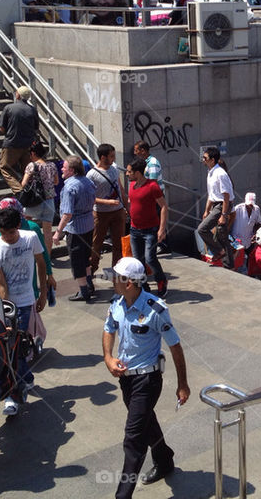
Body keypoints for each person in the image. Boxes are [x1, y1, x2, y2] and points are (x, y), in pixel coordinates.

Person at [103, 257, 189, 497]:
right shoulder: (116, 304)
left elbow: (175, 347)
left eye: (116, 277)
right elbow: (108, 329)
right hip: (126, 379)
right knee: (145, 422)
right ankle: (165, 460)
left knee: (133, 438)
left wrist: (183, 384)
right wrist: (108, 358)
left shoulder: (155, 309)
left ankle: (123, 495)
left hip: (147, 381)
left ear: (129, 283)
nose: (111, 280)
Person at [0, 207, 47, 415]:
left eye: (11, 233)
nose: (8, 237)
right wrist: (6, 312)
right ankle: (13, 394)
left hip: (26, 299)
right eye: (3, 233)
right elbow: (0, 282)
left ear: (18, 226)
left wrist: (43, 293)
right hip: (5, 304)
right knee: (10, 350)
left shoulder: (30, 238)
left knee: (18, 348)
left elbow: (41, 264)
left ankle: (23, 382)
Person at [54, 155, 97, 302]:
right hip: (89, 224)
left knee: (77, 261)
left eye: (64, 167)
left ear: (71, 170)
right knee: (86, 258)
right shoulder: (88, 182)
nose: (62, 169)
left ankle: (84, 291)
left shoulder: (69, 187)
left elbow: (67, 213)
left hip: (76, 228)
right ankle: (89, 284)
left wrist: (58, 232)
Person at [126, 158, 169, 297]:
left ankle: (161, 280)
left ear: (137, 173)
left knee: (150, 258)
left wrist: (161, 229)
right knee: (138, 261)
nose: (127, 174)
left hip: (150, 230)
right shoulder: (131, 185)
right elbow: (131, 202)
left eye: (129, 172)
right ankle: (143, 285)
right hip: (134, 230)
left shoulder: (152, 186)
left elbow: (164, 207)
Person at [88, 142, 127, 276]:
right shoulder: (92, 175)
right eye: (111, 156)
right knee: (96, 244)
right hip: (100, 213)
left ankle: (116, 272)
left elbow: (120, 188)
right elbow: (89, 198)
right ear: (103, 157)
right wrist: (107, 202)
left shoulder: (114, 169)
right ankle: (91, 270)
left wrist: (127, 206)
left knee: (118, 243)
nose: (114, 159)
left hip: (118, 212)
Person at [0, 85, 39, 194]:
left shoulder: (9, 108)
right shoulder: (32, 110)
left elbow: (1, 127)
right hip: (28, 145)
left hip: (11, 144)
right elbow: (36, 128)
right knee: (27, 170)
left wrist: (8, 132)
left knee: (5, 167)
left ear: (17, 95)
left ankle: (19, 190)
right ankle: (30, 191)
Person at [20, 141, 59, 256]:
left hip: (35, 201)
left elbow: (23, 183)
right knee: (47, 232)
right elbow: (56, 182)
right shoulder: (52, 165)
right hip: (50, 201)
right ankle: (47, 256)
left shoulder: (32, 166)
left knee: (27, 225)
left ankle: (30, 252)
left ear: (33, 153)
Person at [198, 146, 234, 267]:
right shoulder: (210, 173)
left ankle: (219, 251)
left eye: (205, 158)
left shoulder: (220, 174)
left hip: (222, 205)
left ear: (212, 160)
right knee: (221, 234)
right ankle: (228, 263)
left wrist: (223, 215)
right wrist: (206, 211)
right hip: (216, 205)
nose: (203, 160)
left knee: (202, 229)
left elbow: (226, 196)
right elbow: (211, 195)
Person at [230, 192, 261, 273]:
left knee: (248, 262)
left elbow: (259, 223)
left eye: (251, 205)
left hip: (249, 241)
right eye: (248, 205)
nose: (249, 207)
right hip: (237, 241)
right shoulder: (238, 208)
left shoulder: (256, 209)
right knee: (237, 263)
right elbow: (230, 221)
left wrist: (256, 233)